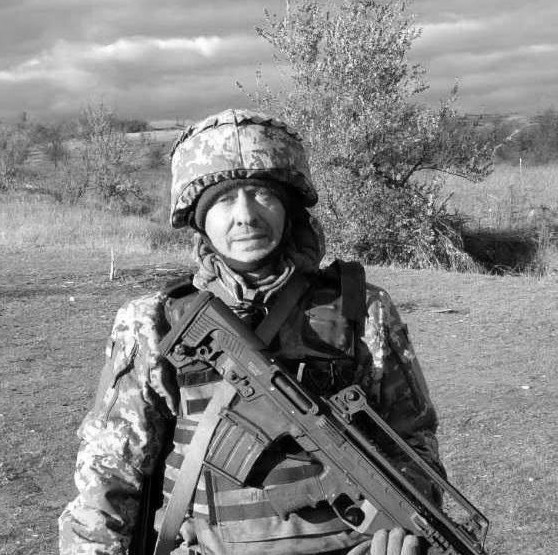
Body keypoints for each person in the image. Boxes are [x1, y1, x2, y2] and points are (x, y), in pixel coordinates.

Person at [59, 108, 445, 555]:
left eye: (262, 194)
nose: (245, 215)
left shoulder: (362, 308)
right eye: (224, 199)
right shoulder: (154, 321)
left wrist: (408, 528)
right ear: (198, 217)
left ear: (288, 207)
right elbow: (108, 474)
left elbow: (414, 440)